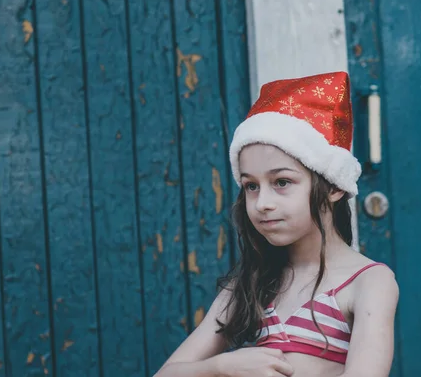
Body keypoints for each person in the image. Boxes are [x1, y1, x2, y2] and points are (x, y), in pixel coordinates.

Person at [154, 72, 399, 377]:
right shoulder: (250, 284)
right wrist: (222, 365)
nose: (262, 203)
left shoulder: (368, 282)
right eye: (250, 186)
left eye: (282, 182)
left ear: (334, 186)